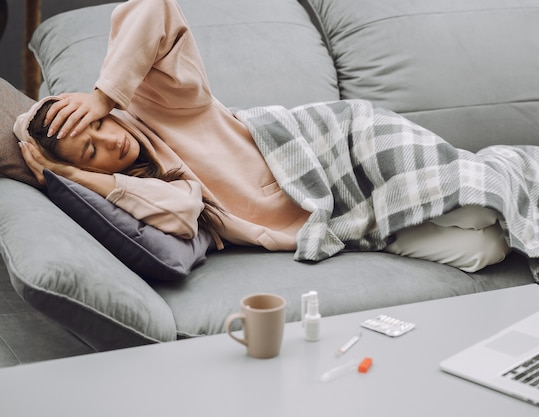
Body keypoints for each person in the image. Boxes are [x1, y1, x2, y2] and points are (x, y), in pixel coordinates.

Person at [14, 0, 509, 272]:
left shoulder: (155, 99)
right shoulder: (148, 185)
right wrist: (65, 174)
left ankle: (486, 181)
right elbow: (182, 216)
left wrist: (103, 96)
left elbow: (154, 7)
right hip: (338, 218)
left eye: (99, 125)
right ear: (85, 169)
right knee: (487, 248)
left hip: (341, 143)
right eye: (92, 151)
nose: (111, 141)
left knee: (484, 206)